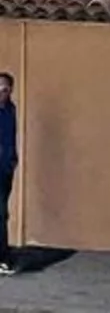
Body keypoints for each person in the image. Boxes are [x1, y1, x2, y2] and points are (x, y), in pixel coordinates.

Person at [0, 73, 18, 275]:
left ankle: (3, 257)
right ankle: (3, 257)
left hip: (4, 169)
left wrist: (13, 160)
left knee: (1, 213)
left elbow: (11, 137)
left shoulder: (10, 110)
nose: (0, 92)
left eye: (4, 89)